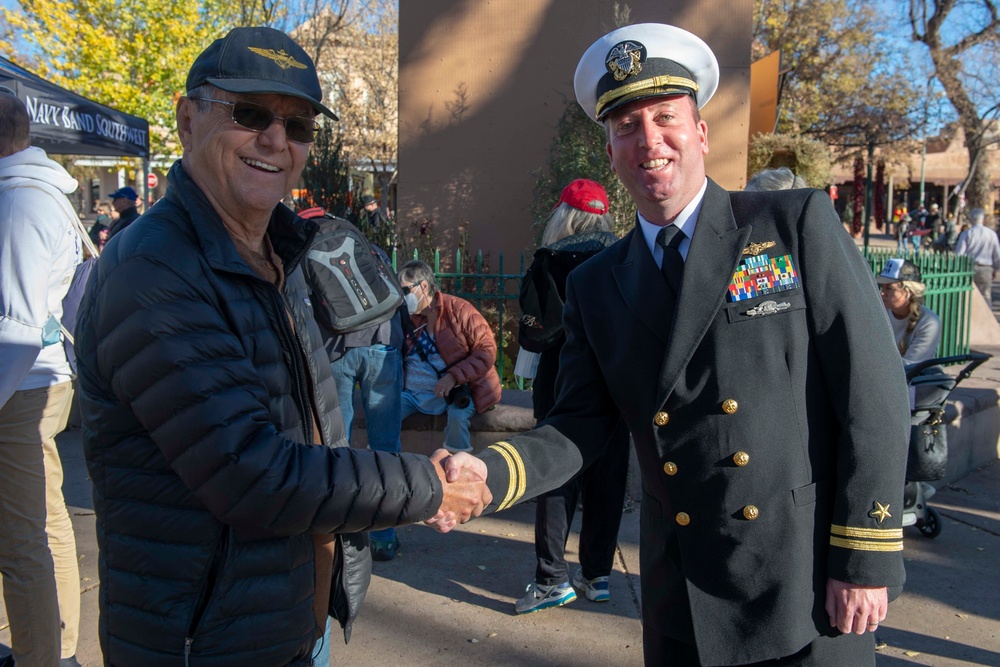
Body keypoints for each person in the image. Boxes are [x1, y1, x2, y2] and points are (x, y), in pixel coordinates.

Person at [441, 23, 910, 666]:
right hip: (683, 590)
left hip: (801, 581)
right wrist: (489, 472)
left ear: (701, 132)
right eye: (627, 126)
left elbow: (873, 391)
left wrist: (863, 555)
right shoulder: (595, 284)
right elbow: (578, 426)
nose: (649, 140)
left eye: (666, 117)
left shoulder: (790, 225)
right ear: (610, 151)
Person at [75, 26, 488, 666]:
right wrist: (427, 486)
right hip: (205, 640)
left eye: (298, 126)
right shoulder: (154, 270)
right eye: (250, 114)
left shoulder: (280, 249)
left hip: (286, 617)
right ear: (188, 119)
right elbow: (252, 471)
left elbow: (310, 433)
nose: (276, 139)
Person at [514, 179, 631, 614]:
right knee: (609, 478)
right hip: (615, 382)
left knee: (554, 475)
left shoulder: (550, 260)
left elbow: (534, 334)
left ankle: (551, 579)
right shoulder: (624, 257)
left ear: (562, 216)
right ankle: (597, 575)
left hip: (562, 380)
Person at [0, 87, 83, 667]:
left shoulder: (19, 203)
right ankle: (54, 650)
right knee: (43, 527)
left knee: (21, 539)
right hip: (35, 382)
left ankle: (42, 655)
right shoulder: (35, 193)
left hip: (22, 387)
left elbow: (17, 326)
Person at [398, 260, 502, 454]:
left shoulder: (459, 310)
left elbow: (486, 350)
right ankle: (385, 464)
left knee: (457, 417)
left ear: (423, 286)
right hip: (413, 395)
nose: (402, 297)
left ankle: (459, 467)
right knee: (385, 414)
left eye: (405, 291)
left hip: (457, 391)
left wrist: (453, 376)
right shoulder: (407, 318)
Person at [877, 258, 941, 365]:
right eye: (882, 287)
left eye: (889, 288)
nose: (882, 293)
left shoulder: (929, 322)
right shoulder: (879, 313)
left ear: (909, 292)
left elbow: (910, 365)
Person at [954, 207, 1000, 306]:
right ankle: (987, 318)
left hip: (969, 268)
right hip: (986, 268)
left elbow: (959, 254)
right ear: (982, 219)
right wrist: (996, 268)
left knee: (968, 296)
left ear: (970, 219)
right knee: (985, 296)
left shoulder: (967, 234)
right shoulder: (991, 234)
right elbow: (996, 253)